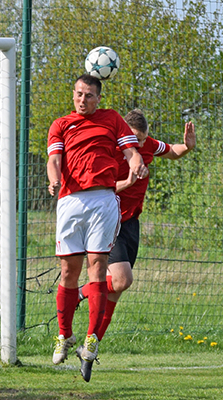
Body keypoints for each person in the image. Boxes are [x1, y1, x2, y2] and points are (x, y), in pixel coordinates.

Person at [47, 74, 147, 382]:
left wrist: (134, 164)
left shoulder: (112, 120)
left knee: (98, 266)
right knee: (68, 272)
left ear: (98, 98)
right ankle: (65, 335)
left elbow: (132, 152)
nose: (82, 100)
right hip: (70, 201)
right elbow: (54, 159)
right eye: (78, 94)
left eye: (88, 95)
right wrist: (54, 178)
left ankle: (91, 339)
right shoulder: (61, 124)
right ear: (73, 94)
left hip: (104, 200)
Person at [85, 109, 196, 339]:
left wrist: (186, 147)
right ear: (124, 133)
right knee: (122, 279)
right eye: (136, 138)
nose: (141, 143)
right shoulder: (109, 149)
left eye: (144, 138)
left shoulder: (147, 145)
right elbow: (95, 190)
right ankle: (78, 294)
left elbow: (172, 151)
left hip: (131, 222)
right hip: (107, 220)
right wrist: (127, 182)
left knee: (116, 290)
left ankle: (91, 345)